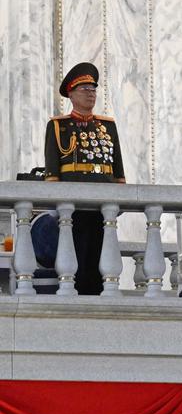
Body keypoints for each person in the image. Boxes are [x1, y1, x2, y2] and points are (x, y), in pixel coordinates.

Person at [43, 62, 126, 295]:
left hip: (104, 202)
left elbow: (117, 169)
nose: (91, 93)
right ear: (71, 94)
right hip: (75, 203)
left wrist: (120, 193)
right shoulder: (59, 126)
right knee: (77, 255)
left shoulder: (107, 126)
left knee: (101, 254)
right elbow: (53, 172)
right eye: (85, 89)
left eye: (93, 89)